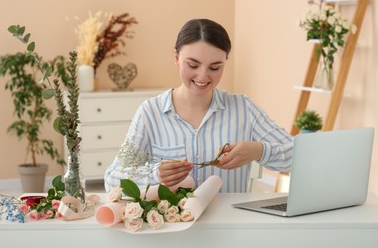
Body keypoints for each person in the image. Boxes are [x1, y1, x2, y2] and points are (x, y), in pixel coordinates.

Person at [104, 19, 293, 193]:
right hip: (172, 227)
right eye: (193, 65)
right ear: (176, 57)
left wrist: (260, 150)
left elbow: (300, 156)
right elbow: (112, 178)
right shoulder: (150, 113)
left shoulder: (244, 109)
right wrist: (155, 175)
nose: (203, 77)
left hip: (230, 226)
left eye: (215, 67)